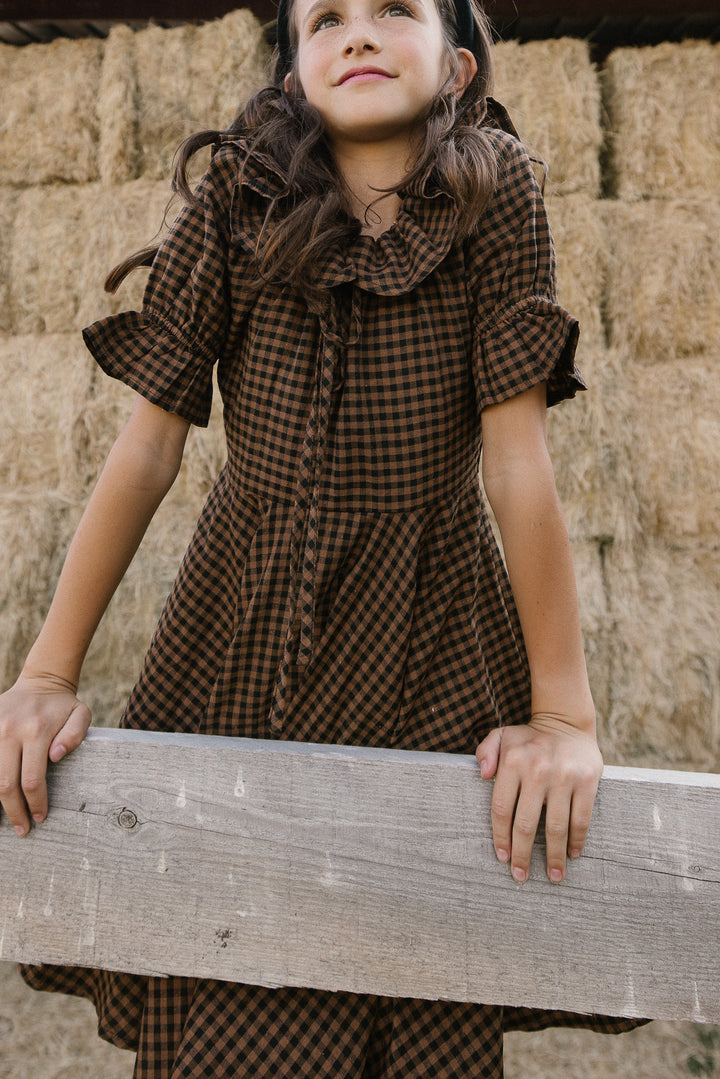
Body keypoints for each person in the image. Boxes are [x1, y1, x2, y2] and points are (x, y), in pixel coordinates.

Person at [0, 0, 644, 1073]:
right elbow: (150, 444)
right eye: (327, 19)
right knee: (227, 969)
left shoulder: (496, 188)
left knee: (418, 956)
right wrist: (46, 669)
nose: (358, 31)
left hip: (430, 628)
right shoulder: (237, 195)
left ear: (458, 66)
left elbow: (517, 460)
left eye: (394, 10)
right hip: (242, 621)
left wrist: (564, 713)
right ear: (294, 76)